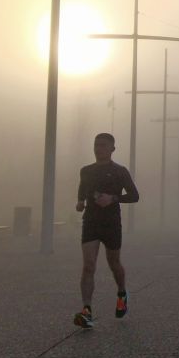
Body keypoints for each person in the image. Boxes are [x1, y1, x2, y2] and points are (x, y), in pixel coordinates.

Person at [73, 133, 140, 328]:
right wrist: (80, 202)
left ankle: (122, 293)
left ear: (112, 149)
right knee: (89, 266)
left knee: (114, 263)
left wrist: (113, 198)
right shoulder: (86, 171)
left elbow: (134, 196)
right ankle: (86, 310)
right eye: (96, 145)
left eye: (103, 145)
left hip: (111, 223)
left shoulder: (120, 171)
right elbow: (82, 190)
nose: (98, 148)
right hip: (91, 222)